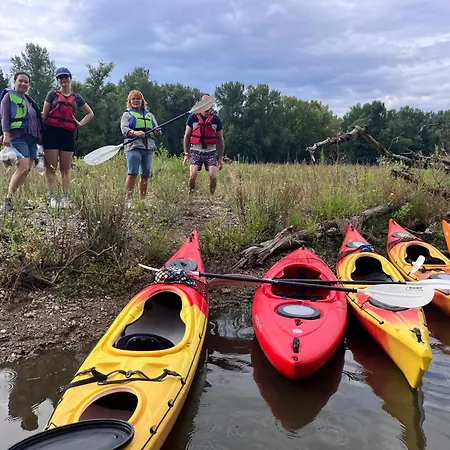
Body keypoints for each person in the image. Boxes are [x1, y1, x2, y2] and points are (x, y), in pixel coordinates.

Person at [42, 67, 94, 208]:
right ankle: (52, 197)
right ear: (57, 80)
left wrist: (80, 123)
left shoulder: (76, 97)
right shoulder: (52, 95)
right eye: (60, 78)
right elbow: (44, 115)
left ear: (70, 78)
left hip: (67, 134)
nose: (63, 80)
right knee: (51, 167)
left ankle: (66, 197)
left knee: (65, 169)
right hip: (51, 133)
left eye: (65, 77)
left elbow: (90, 113)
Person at [0, 71, 44, 212]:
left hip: (31, 138)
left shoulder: (28, 100)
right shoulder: (9, 97)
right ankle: (8, 199)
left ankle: (21, 201)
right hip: (17, 136)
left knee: (26, 171)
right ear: (15, 81)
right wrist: (6, 134)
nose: (24, 84)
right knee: (23, 168)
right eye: (21, 81)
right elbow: (4, 117)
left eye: (26, 82)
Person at [120, 90, 161, 205]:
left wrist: (157, 131)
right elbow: (124, 129)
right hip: (134, 147)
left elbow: (158, 132)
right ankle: (129, 200)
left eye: (138, 99)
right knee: (132, 173)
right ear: (130, 101)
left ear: (142, 101)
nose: (136, 101)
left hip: (148, 147)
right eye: (133, 99)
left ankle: (142, 201)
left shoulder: (149, 115)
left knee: (145, 175)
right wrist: (135, 133)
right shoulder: (127, 114)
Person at [183, 93, 224, 195]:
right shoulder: (192, 118)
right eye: (204, 102)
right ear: (200, 103)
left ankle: (212, 196)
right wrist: (186, 153)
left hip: (211, 152)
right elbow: (186, 136)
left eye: (208, 102)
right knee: (193, 175)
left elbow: (220, 139)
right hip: (196, 151)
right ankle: (191, 194)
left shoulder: (216, 119)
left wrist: (220, 158)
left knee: (213, 176)